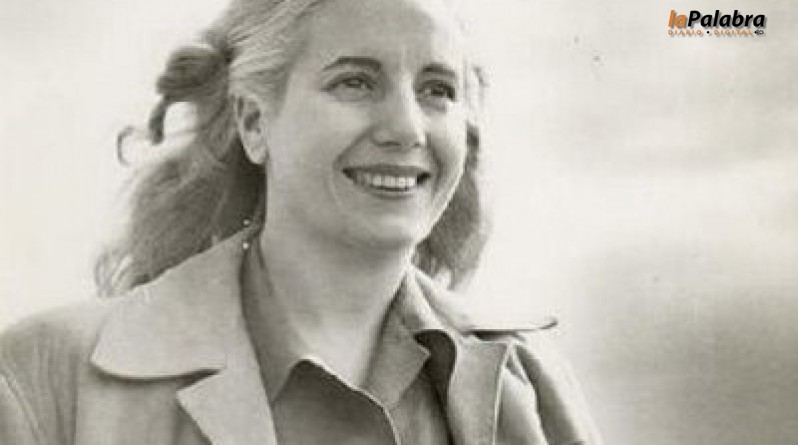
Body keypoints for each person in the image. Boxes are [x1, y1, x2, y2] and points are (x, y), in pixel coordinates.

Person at [0, 0, 602, 443]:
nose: (407, 128)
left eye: (436, 89)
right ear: (254, 124)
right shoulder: (43, 377)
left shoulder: (529, 378)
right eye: (355, 82)